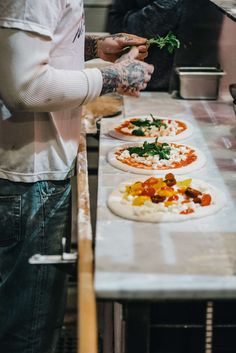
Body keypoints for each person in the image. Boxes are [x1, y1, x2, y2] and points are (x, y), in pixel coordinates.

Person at [0, 1, 154, 353]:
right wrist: (112, 78)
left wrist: (93, 47)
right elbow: (25, 87)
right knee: (26, 337)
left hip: (31, 174)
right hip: (25, 180)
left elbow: (23, 47)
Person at [107, 0, 183, 91]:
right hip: (135, 80)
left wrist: (132, 17)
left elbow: (166, 11)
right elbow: (115, 25)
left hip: (186, 82)